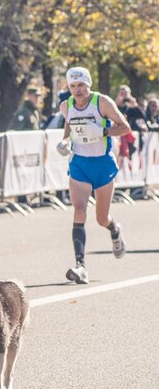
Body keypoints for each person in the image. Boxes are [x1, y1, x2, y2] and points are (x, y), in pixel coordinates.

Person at [55, 67, 130, 284]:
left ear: (88, 85)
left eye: (81, 85)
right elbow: (69, 132)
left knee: (101, 218)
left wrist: (103, 131)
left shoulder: (102, 102)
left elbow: (124, 127)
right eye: (72, 86)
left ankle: (114, 230)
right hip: (80, 164)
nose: (77, 90)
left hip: (102, 163)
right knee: (79, 210)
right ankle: (81, 266)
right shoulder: (66, 106)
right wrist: (65, 143)